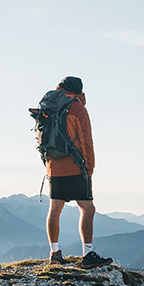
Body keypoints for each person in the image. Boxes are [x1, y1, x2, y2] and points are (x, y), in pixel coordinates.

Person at [45, 76, 113, 269]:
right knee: (88, 209)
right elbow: (86, 141)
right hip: (75, 166)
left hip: (53, 166)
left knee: (55, 208)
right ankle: (88, 254)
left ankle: (54, 253)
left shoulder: (50, 106)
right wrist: (89, 168)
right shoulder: (76, 108)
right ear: (78, 91)